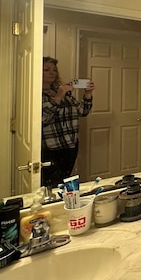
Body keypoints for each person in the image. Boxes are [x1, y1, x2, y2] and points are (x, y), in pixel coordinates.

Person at [41, 57, 95, 188]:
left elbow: (82, 111)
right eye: (46, 69)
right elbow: (44, 119)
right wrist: (59, 95)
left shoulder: (63, 91)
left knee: (64, 180)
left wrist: (87, 94)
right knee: (51, 184)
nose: (52, 72)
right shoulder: (36, 94)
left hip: (70, 145)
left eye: (54, 70)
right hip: (52, 148)